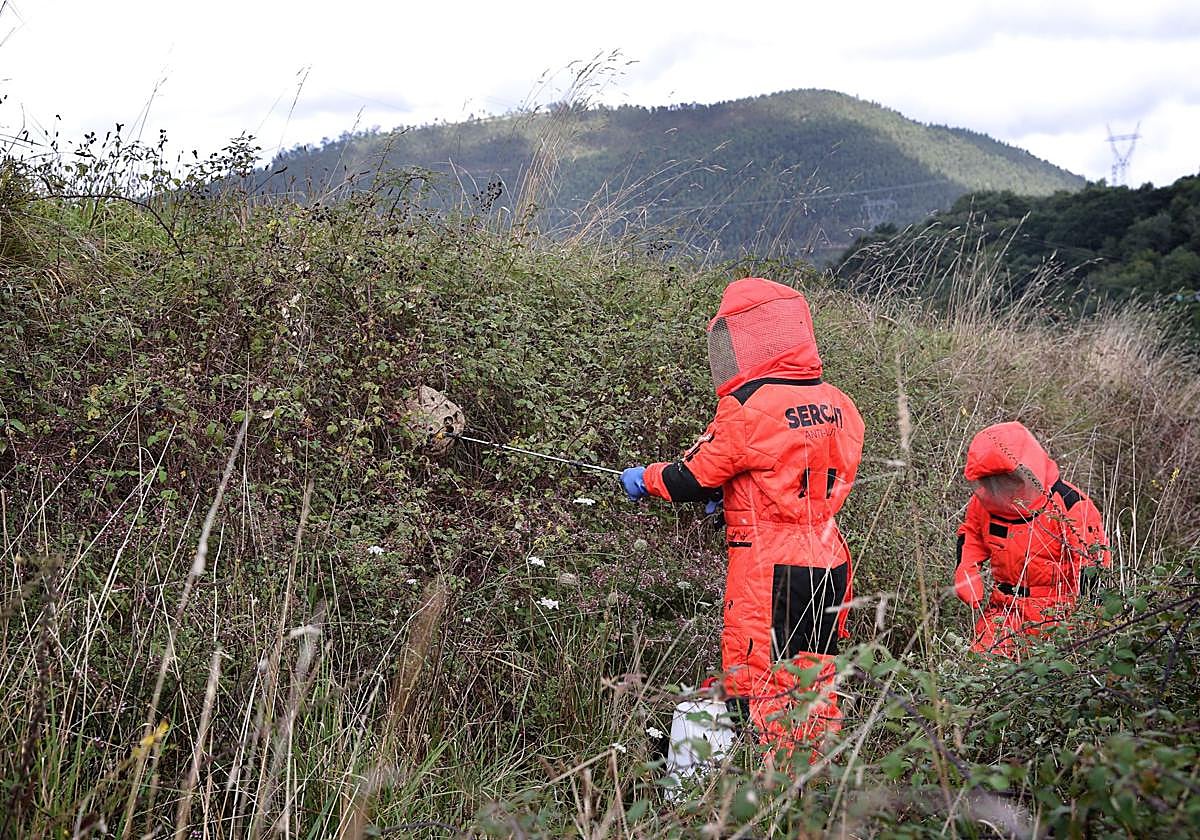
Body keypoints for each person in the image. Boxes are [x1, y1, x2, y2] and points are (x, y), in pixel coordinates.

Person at [621, 276, 865, 759]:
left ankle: (772, 786)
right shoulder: (839, 403)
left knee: (759, 680)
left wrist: (645, 478)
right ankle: (814, 777)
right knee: (813, 676)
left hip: (769, 567)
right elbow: (788, 469)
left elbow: (693, 477)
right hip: (830, 557)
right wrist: (740, 493)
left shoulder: (747, 406)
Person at [954, 421, 1112, 658]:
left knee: (1050, 676)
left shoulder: (1071, 505)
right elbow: (972, 535)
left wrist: (1090, 623)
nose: (1000, 489)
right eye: (992, 482)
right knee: (980, 668)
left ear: (1026, 471)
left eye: (1007, 480)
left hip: (1057, 617)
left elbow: (1093, 567)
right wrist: (966, 570)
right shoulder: (984, 502)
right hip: (1003, 610)